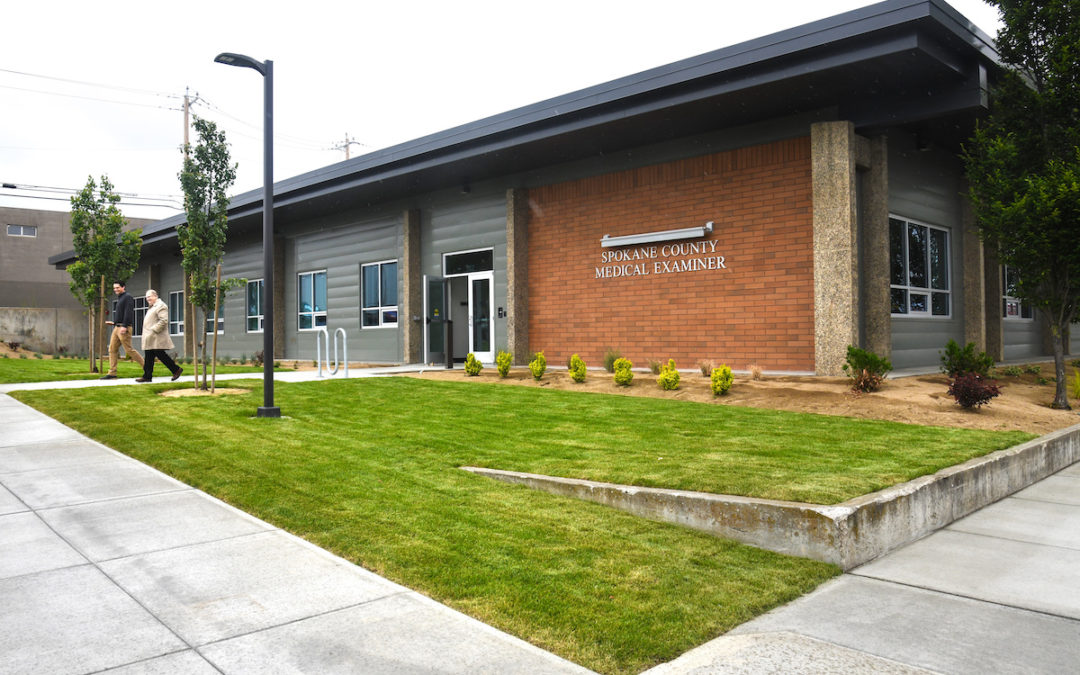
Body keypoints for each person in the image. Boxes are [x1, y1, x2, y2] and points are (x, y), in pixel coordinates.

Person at [136, 289, 183, 382]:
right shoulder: (152, 307)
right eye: (146, 297)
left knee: (160, 355)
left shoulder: (161, 306)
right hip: (151, 336)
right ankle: (147, 376)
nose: (147, 299)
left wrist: (154, 330)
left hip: (156, 336)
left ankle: (176, 369)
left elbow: (164, 320)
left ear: (155, 296)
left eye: (149, 297)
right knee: (149, 356)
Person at [101, 280, 145, 379]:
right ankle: (112, 373)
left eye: (117, 287)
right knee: (112, 349)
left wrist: (124, 326)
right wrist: (114, 323)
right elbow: (121, 313)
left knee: (129, 350)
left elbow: (128, 312)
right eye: (114, 288)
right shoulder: (120, 298)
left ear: (123, 287)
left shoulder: (127, 297)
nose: (115, 289)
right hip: (117, 327)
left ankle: (147, 368)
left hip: (124, 328)